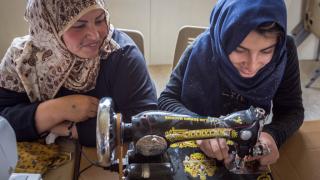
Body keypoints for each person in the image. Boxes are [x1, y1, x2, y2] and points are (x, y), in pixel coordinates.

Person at [159, 0, 304, 175]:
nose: (251, 65)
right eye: (240, 49)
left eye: (266, 51)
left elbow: (293, 110)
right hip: (193, 154)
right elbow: (166, 100)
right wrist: (199, 130)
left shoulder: (284, 52)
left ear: (278, 45)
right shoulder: (203, 48)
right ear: (223, 39)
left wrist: (271, 135)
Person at [0, 0, 157, 147]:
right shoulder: (22, 60)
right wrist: (59, 109)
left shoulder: (121, 55)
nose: (95, 35)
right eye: (79, 25)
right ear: (50, 28)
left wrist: (67, 129)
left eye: (100, 20)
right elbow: (3, 121)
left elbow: (146, 124)